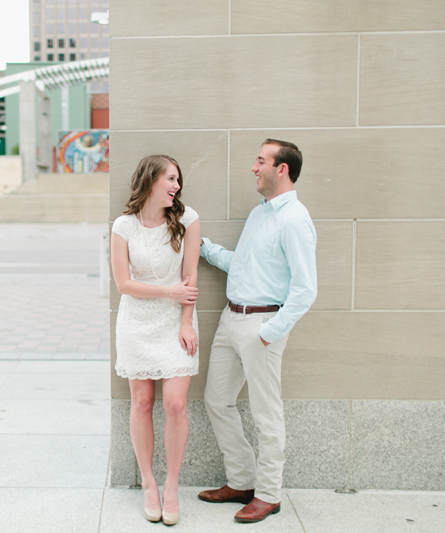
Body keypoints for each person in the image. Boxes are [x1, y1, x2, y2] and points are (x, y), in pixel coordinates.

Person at [198, 139, 317, 524]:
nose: (254, 167)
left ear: (281, 169)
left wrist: (270, 331)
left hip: (262, 325)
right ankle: (242, 481)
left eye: (261, 161)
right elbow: (242, 264)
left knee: (267, 414)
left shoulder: (294, 219)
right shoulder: (258, 214)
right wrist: (202, 248)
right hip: (230, 320)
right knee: (217, 400)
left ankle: (268, 494)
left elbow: (305, 289)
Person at [111, 155, 201, 526]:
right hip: (137, 323)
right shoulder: (123, 226)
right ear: (150, 180)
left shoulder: (187, 221)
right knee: (143, 402)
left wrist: (186, 324)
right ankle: (148, 483)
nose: (176, 186)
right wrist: (169, 294)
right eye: (170, 178)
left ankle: (171, 486)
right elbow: (123, 285)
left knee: (176, 405)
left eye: (178, 180)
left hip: (175, 322)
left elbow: (190, 278)